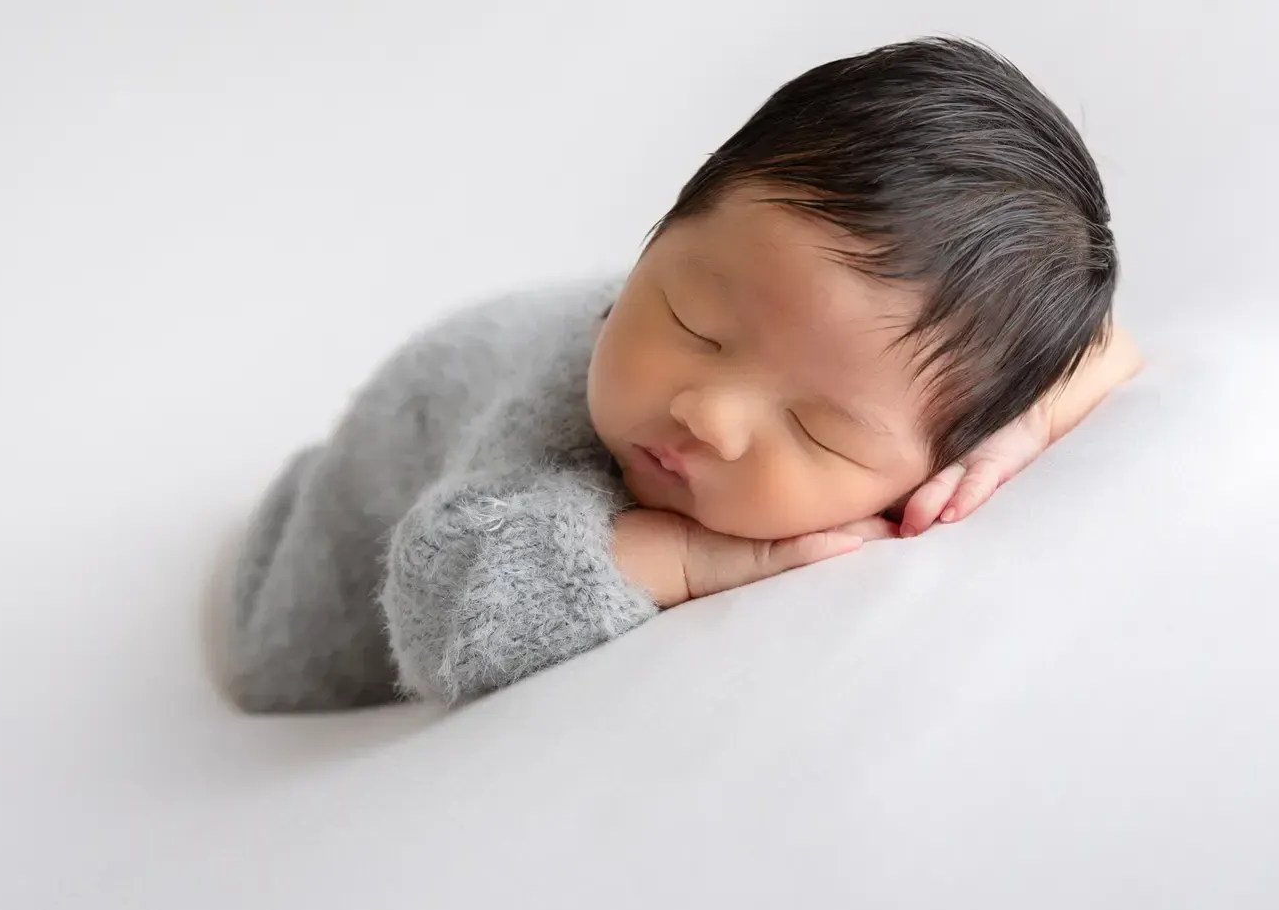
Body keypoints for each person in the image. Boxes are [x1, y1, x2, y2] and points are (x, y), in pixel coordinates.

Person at [223, 37, 1142, 713]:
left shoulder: (938, 377)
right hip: (401, 442)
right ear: (658, 235)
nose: (709, 413)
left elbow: (1108, 349)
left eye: (818, 429)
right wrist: (695, 558)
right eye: (693, 322)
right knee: (285, 669)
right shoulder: (559, 418)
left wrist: (1024, 425)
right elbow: (440, 603)